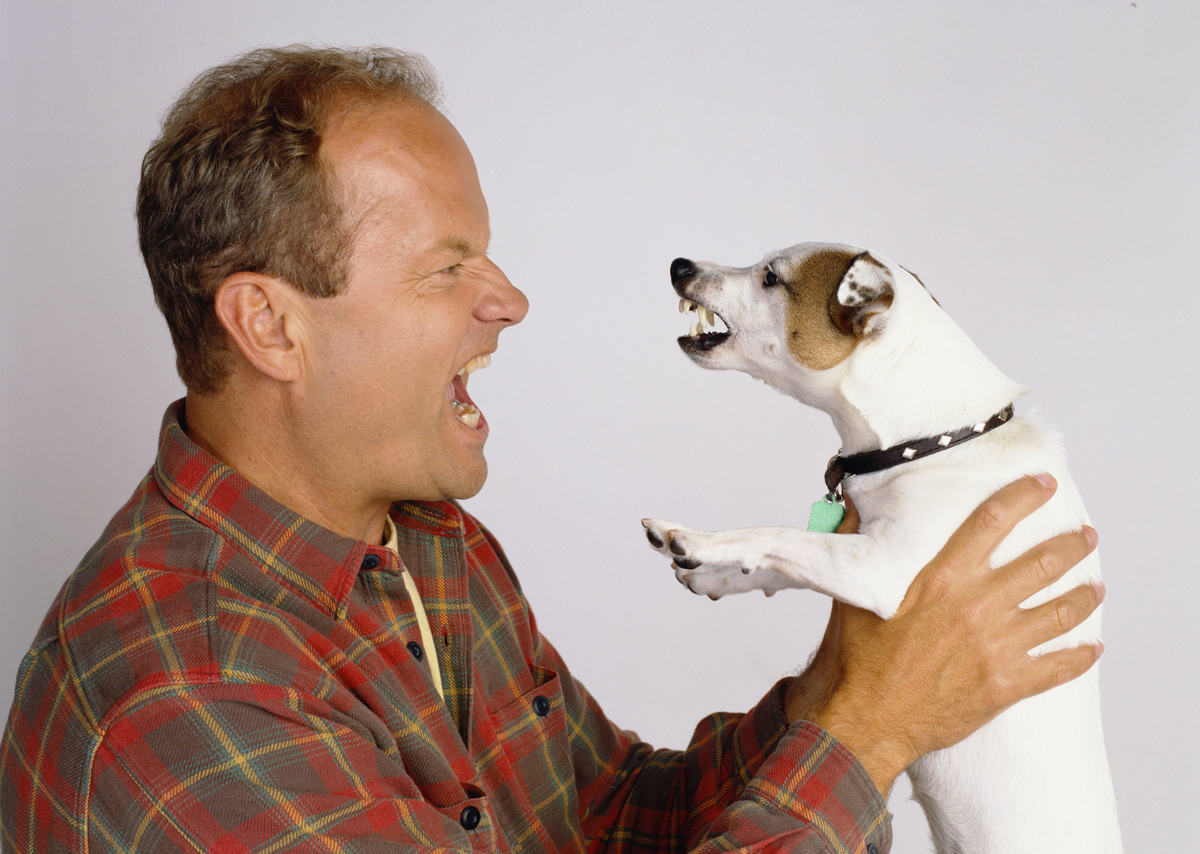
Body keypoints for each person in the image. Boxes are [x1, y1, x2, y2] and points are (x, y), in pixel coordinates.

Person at [0, 46, 1103, 853]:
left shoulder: (432, 547)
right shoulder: (191, 695)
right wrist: (871, 729)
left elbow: (608, 816)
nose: (511, 301)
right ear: (271, 326)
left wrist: (856, 676)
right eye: (448, 268)